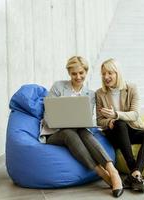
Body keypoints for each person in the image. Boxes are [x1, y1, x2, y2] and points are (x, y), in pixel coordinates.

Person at [39, 56, 123, 198]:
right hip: (55, 133)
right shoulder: (58, 87)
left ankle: (111, 170)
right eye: (74, 74)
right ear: (69, 73)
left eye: (81, 73)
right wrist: (63, 121)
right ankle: (101, 172)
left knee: (84, 131)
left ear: (86, 72)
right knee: (68, 132)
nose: (78, 77)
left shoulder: (90, 94)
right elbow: (48, 117)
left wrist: (80, 122)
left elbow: (86, 119)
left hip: (80, 131)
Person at [96, 58, 144, 193]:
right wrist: (110, 122)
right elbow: (99, 121)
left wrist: (116, 114)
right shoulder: (100, 93)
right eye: (103, 74)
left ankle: (135, 174)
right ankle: (134, 170)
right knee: (120, 124)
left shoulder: (131, 88)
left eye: (110, 73)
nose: (106, 77)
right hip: (114, 132)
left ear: (118, 73)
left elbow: (134, 114)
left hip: (131, 128)